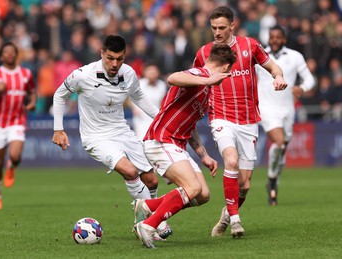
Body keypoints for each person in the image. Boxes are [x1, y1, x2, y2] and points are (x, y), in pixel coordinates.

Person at [174, 6, 288, 237]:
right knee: (231, 161)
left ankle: (226, 215)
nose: (217, 32)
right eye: (214, 28)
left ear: (232, 26)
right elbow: (193, 79)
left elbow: (273, 67)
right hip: (220, 117)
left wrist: (279, 77)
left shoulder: (250, 46)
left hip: (248, 120)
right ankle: (236, 221)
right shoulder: (204, 52)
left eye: (222, 28)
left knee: (244, 185)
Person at [51, 35, 172, 239]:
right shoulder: (83, 75)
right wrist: (58, 129)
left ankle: (140, 222)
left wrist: (163, 119)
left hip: (122, 132)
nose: (115, 63)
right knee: (130, 171)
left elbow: (139, 97)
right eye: (110, 58)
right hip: (96, 137)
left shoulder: (129, 73)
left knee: (151, 181)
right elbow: (59, 94)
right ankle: (154, 221)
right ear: (102, 54)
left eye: (120, 58)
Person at [133, 43, 236, 248]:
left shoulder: (205, 89)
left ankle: (147, 206)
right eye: (229, 72)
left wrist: (203, 154)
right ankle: (149, 225)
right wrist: (208, 78)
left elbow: (190, 124)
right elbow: (172, 78)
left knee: (202, 195)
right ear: (225, 68)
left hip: (177, 144)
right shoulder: (198, 74)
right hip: (161, 140)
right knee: (192, 187)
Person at [256, 25, 315, 206]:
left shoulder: (295, 56)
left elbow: (310, 79)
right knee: (279, 142)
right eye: (271, 36)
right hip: (266, 108)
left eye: (278, 37)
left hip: (288, 109)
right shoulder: (259, 56)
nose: (274, 40)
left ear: (284, 39)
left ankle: (273, 180)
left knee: (282, 151)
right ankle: (272, 178)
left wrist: (302, 88)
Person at [0, 42, 37, 210]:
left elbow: (32, 91)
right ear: (1, 56)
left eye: (12, 51)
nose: (9, 54)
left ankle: (12, 166)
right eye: (5, 51)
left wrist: (32, 103)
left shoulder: (26, 73)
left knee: (15, 156)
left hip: (17, 121)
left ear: (16, 55)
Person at [130, 63, 167, 140]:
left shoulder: (162, 85)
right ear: (145, 72)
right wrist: (134, 108)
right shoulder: (139, 83)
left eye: (154, 71)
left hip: (156, 119)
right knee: (143, 142)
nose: (152, 74)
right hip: (141, 119)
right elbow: (130, 97)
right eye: (150, 71)